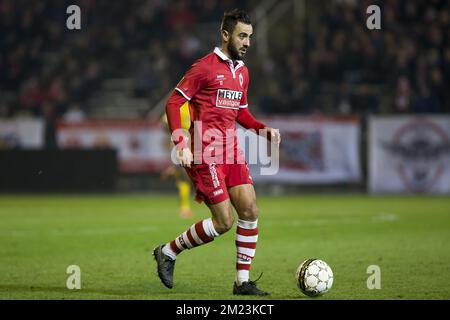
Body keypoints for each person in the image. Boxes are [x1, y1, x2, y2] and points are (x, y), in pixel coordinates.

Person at [153, 9, 281, 296]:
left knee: (250, 209)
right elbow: (173, 104)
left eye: (250, 37)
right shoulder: (204, 68)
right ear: (225, 35)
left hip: (232, 151)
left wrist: (263, 130)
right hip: (205, 152)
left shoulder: (243, 73)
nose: (247, 42)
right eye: (242, 36)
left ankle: (242, 283)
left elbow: (242, 114)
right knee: (224, 222)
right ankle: (168, 252)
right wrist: (181, 144)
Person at [160, 103, 195, 219]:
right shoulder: (194, 104)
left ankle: (184, 208)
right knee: (187, 177)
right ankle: (185, 208)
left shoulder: (178, 103)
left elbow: (165, 122)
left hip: (179, 142)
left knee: (183, 178)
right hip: (191, 142)